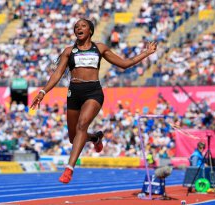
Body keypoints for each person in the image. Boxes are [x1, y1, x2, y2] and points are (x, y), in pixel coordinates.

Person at [30, 19, 157, 184]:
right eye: (76, 26)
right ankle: (95, 139)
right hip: (74, 93)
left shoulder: (100, 48)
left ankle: (69, 169)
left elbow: (124, 64)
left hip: (93, 92)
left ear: (90, 30)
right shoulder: (69, 51)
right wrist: (42, 91)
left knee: (82, 125)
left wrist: (146, 53)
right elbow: (57, 74)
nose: (78, 28)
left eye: (82, 26)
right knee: (73, 137)